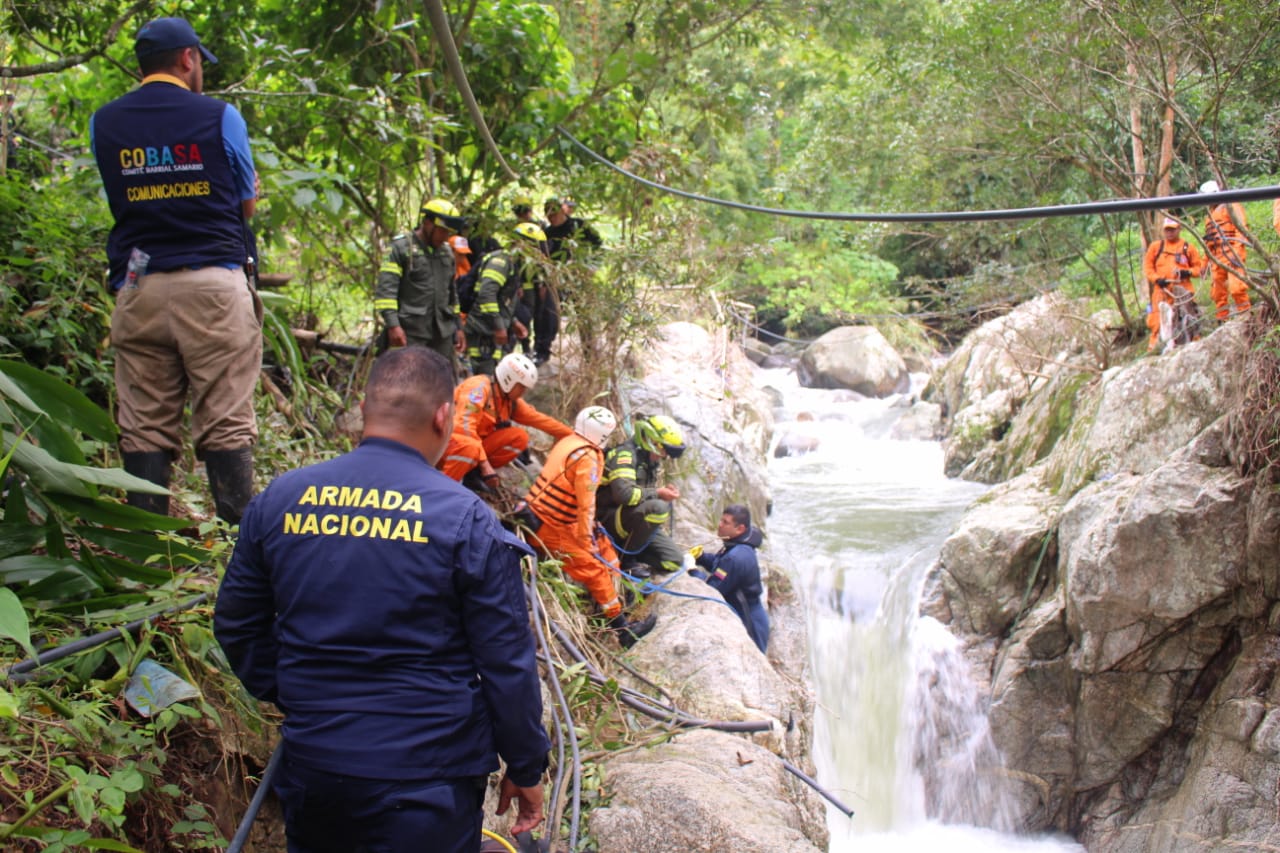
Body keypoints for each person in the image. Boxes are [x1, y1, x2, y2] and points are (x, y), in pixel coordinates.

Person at [214, 346, 549, 853]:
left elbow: (237, 624)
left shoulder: (281, 499)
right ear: (443, 417)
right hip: (430, 777)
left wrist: (300, 693)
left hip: (317, 767)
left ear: (365, 409)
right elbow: (506, 662)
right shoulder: (464, 518)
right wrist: (525, 765)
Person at [90, 16, 260, 523]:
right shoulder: (219, 116)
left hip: (139, 282)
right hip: (211, 281)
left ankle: (145, 547)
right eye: (199, 62)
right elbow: (246, 205)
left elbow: (118, 201)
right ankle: (237, 549)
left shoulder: (106, 121)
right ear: (188, 59)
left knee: (143, 422)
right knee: (226, 418)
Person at [523, 406, 656, 648]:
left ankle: (616, 602)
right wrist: (586, 540)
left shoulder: (569, 442)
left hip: (551, 518)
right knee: (593, 567)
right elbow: (586, 504)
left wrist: (591, 531)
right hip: (548, 525)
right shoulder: (588, 457)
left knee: (606, 549)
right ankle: (621, 629)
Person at [440, 352, 572, 492]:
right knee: (469, 447)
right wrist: (485, 465)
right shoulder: (478, 388)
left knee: (519, 437)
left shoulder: (509, 401)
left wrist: (570, 435)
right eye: (521, 387)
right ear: (509, 380)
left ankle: (473, 475)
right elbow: (463, 429)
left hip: (473, 448)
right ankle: (441, 490)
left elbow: (540, 420)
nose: (524, 392)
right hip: (448, 442)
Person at [374, 198, 466, 365]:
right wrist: (393, 325)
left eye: (448, 233)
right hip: (411, 332)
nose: (445, 237)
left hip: (442, 333)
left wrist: (458, 326)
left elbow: (452, 294)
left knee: (440, 381)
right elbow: (386, 291)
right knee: (408, 380)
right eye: (442, 231)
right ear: (428, 223)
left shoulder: (446, 253)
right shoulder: (400, 248)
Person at [597, 414, 687, 576]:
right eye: (663, 450)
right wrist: (658, 493)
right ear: (652, 441)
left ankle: (634, 556)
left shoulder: (648, 461)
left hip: (630, 521)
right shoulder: (625, 455)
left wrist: (660, 492)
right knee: (658, 508)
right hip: (607, 518)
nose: (664, 455)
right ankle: (626, 561)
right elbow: (624, 495)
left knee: (674, 561)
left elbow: (640, 494)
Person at [464, 222, 544, 376]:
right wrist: (499, 326)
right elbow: (486, 294)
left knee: (493, 376)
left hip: (490, 332)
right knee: (483, 379)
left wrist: (513, 322)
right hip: (482, 331)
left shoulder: (513, 265)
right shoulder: (501, 262)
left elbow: (502, 302)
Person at [534, 197, 604, 366]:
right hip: (556, 280)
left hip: (579, 278)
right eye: (548, 215)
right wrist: (542, 282)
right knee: (548, 314)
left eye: (554, 213)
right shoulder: (547, 234)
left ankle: (589, 354)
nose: (552, 218)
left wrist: (591, 266)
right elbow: (542, 260)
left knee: (583, 317)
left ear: (562, 211)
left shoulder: (578, 226)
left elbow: (598, 246)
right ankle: (542, 352)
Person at [691, 504, 770, 654]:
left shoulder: (736, 557)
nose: (719, 525)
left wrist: (693, 571)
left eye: (725, 523)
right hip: (752, 612)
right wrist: (700, 557)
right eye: (721, 520)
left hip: (749, 619)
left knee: (753, 658)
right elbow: (719, 565)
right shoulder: (739, 545)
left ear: (739, 528)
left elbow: (712, 589)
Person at [1142, 217, 1204, 353]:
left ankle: (1194, 347)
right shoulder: (1156, 247)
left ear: (1179, 229)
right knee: (1157, 322)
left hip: (1182, 290)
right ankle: (1153, 351)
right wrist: (1157, 279)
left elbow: (1199, 268)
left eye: (1172, 229)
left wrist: (1187, 272)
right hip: (1162, 291)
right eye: (1167, 230)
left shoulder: (1188, 248)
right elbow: (1147, 267)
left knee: (1187, 318)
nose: (1169, 233)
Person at [1199, 180, 1251, 321]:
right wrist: (1204, 264)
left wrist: (1237, 253)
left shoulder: (1231, 205)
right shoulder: (1209, 217)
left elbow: (1242, 229)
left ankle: (1246, 317)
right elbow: (1208, 244)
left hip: (1232, 254)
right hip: (1217, 258)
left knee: (1237, 288)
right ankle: (1222, 319)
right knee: (1217, 293)